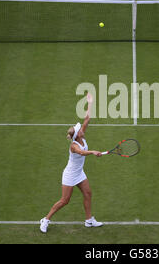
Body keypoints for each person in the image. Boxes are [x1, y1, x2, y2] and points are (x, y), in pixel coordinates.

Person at [40, 93, 103, 233]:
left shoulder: (81, 134)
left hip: (79, 172)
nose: (82, 128)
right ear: (77, 135)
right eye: (79, 129)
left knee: (88, 193)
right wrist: (93, 152)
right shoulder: (74, 146)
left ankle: (89, 220)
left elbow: (87, 118)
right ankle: (45, 220)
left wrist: (90, 102)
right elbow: (81, 152)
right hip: (70, 174)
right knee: (64, 200)